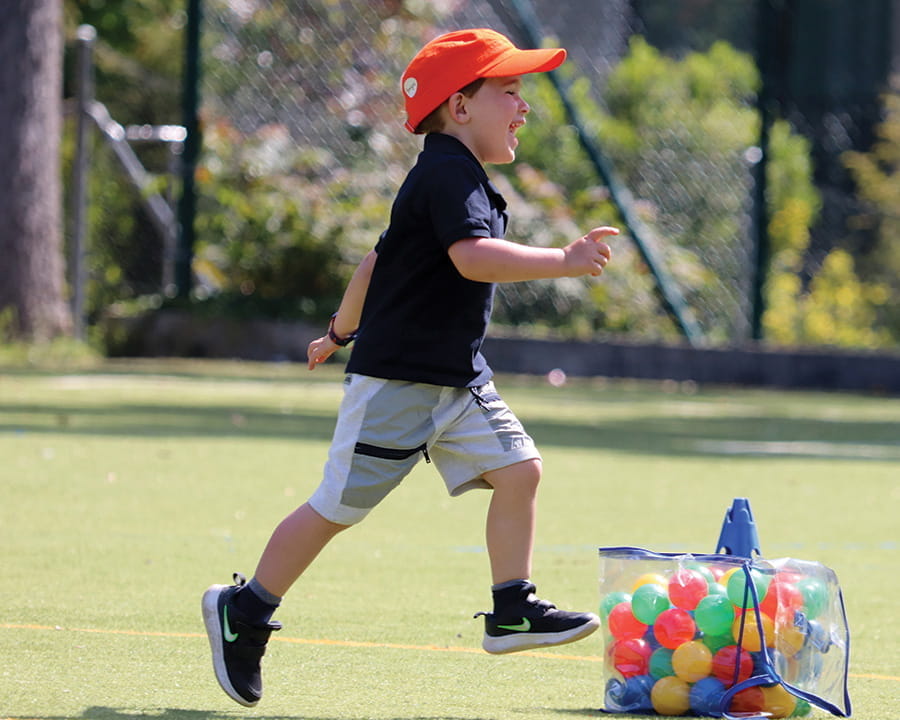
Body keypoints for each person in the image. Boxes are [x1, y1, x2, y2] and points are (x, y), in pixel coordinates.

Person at [202, 27, 618, 707]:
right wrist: (563, 261)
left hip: (456, 381)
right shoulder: (448, 174)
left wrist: (337, 330)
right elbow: (472, 258)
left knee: (521, 470)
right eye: (509, 92)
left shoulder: (458, 178)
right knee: (335, 508)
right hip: (398, 381)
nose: (524, 106)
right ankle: (243, 610)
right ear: (459, 107)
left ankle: (513, 608)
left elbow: (378, 259)